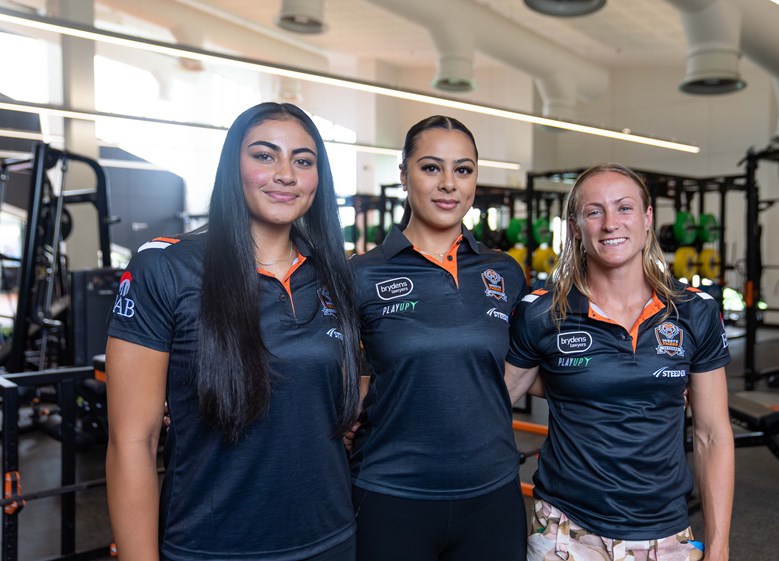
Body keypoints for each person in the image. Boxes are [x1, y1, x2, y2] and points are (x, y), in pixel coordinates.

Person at [105, 102, 361, 561]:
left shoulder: (332, 275)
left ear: (317, 179)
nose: (285, 173)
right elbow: (132, 441)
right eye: (264, 155)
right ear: (232, 166)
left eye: (303, 161)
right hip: (212, 545)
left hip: (329, 540)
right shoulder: (166, 267)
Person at [505, 163, 734, 561]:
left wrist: (718, 547)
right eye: (594, 211)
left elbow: (712, 435)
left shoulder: (693, 312)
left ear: (647, 219)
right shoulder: (542, 313)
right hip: (564, 529)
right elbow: (489, 397)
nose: (611, 223)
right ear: (575, 227)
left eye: (624, 208)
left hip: (664, 531)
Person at [347, 115, 528, 561]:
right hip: (392, 494)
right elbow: (326, 368)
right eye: (431, 168)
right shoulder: (360, 275)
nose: (449, 183)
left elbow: (527, 363)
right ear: (404, 175)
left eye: (463, 170)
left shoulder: (504, 272)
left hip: (493, 494)